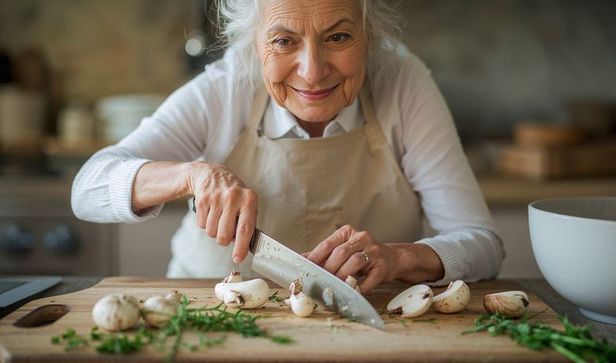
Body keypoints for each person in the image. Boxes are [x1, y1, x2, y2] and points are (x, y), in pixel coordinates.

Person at [72, 0, 504, 294]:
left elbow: (484, 246)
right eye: (284, 41)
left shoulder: (403, 83)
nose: (313, 72)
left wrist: (401, 258)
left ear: (369, 37)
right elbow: (87, 188)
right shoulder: (224, 89)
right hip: (210, 327)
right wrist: (193, 174)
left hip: (364, 331)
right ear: (253, 44)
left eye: (338, 38)